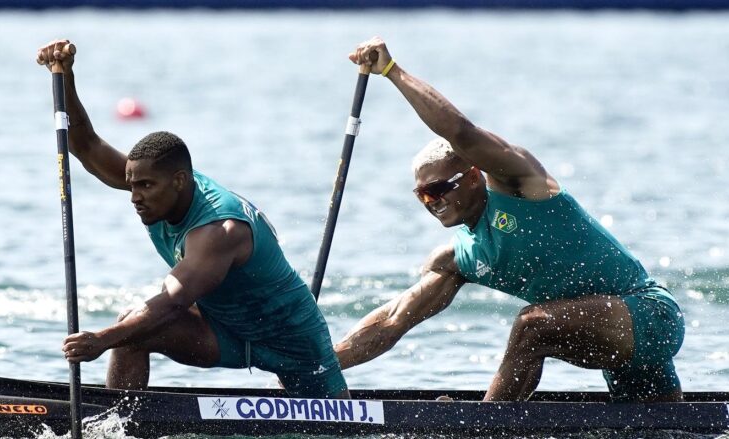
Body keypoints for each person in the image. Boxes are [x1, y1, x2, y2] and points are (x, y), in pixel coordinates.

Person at [334, 37, 685, 403]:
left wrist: (391, 72)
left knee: (530, 326)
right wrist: (319, 366)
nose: (431, 202)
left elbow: (461, 132)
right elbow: (392, 322)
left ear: (473, 176)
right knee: (668, 427)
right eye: (422, 194)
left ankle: (487, 427)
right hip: (606, 338)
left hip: (649, 315)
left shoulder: (521, 184)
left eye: (438, 188)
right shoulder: (457, 259)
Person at [36, 39, 348, 398]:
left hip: (294, 343)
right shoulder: (160, 189)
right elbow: (87, 145)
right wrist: (65, 78)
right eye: (131, 185)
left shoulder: (219, 230)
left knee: (341, 427)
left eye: (145, 186)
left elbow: (172, 303)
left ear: (180, 181)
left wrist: (100, 340)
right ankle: (116, 426)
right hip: (225, 331)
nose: (135, 196)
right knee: (132, 331)